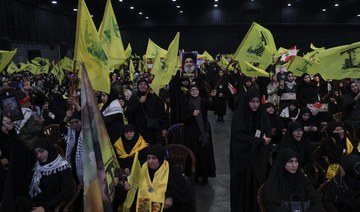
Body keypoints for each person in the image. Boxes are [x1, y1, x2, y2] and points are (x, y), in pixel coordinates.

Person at [230, 89, 272, 212]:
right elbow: (239, 138)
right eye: (252, 102)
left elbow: (267, 132)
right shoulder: (239, 116)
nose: (255, 105)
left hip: (258, 158)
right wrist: (259, 141)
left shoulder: (261, 114)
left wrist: (262, 140)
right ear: (247, 102)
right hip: (243, 160)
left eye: (258, 102)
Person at [128, 143, 192, 212]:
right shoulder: (144, 168)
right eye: (148, 158)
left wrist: (171, 197)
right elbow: (138, 188)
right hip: (145, 202)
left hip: (165, 204)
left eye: (154, 158)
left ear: (160, 158)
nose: (150, 161)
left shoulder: (171, 170)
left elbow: (183, 192)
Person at [17, 138, 75, 212]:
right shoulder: (38, 165)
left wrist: (44, 207)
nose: (39, 155)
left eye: (41, 151)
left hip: (50, 205)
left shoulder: (62, 166)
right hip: (37, 202)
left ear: (49, 149)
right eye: (36, 153)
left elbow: (67, 191)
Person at [181, 84, 217, 184]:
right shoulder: (186, 102)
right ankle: (194, 176)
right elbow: (183, 118)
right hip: (192, 134)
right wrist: (192, 115)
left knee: (204, 155)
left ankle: (204, 176)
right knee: (194, 154)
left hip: (203, 132)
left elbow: (213, 107)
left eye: (196, 89)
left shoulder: (203, 101)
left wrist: (213, 97)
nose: (194, 91)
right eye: (192, 90)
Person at [125, 79, 168, 145]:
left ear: (148, 86)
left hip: (154, 130)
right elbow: (128, 113)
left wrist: (163, 128)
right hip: (139, 130)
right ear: (138, 86)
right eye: (141, 84)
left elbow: (161, 113)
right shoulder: (134, 98)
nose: (143, 86)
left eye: (145, 84)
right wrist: (139, 103)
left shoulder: (154, 98)